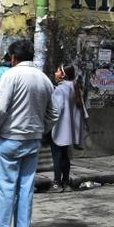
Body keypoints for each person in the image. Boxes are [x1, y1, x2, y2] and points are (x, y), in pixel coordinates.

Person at [0, 40, 59, 227]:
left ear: (13, 58)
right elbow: (54, 112)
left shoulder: (10, 75)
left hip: (10, 139)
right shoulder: (44, 79)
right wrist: (41, 129)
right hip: (33, 140)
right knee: (26, 187)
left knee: (6, 187)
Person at [49, 64, 86, 192]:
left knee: (57, 156)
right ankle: (66, 183)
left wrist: (46, 125)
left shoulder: (60, 89)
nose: (55, 73)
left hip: (59, 128)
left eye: (58, 71)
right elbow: (83, 111)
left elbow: (56, 111)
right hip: (70, 130)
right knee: (65, 156)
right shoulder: (75, 87)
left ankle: (56, 184)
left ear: (63, 75)